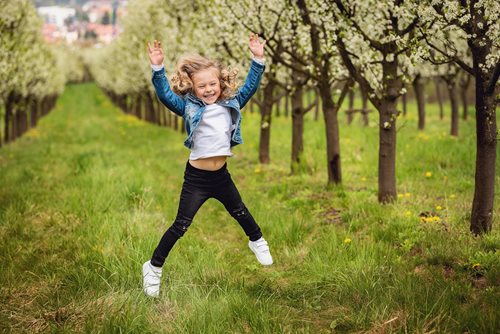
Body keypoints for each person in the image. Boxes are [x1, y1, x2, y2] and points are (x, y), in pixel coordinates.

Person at [142, 34, 273, 297]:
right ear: (192, 88)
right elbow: (166, 96)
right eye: (202, 86)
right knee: (181, 224)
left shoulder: (231, 103)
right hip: (197, 179)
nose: (209, 89)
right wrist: (158, 68)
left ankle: (257, 241)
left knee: (240, 211)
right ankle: (153, 267)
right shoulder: (189, 107)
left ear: (221, 83)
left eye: (213, 83)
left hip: (221, 176)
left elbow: (250, 85)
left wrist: (258, 59)